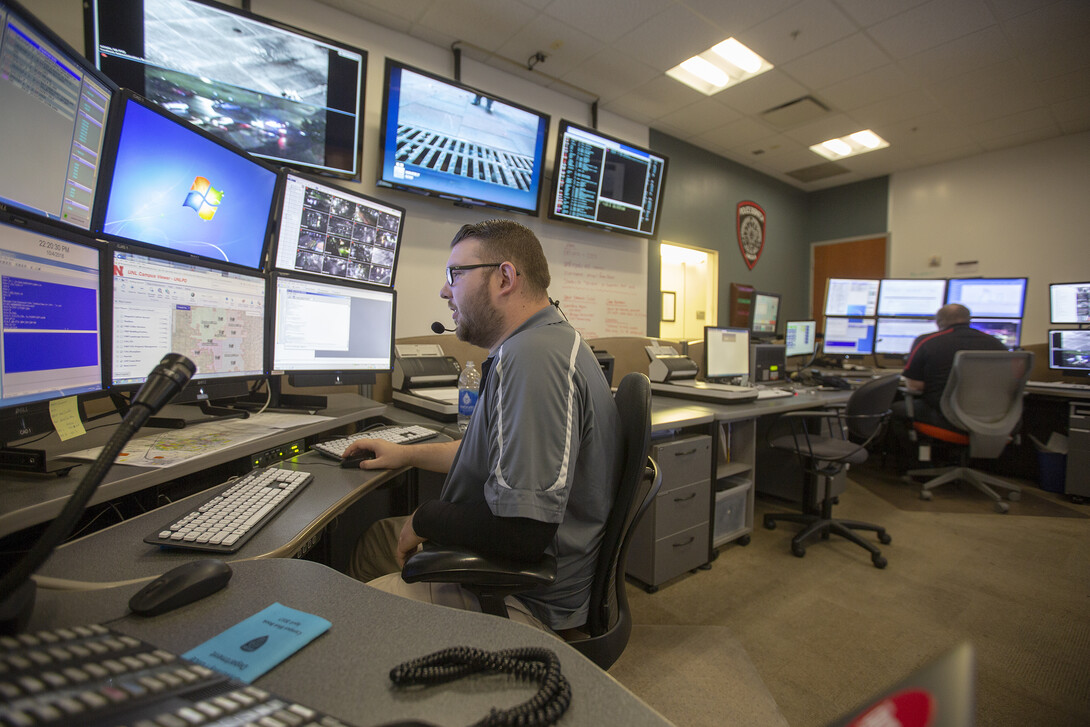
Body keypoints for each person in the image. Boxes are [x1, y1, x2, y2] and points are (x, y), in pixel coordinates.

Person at [342, 219, 621, 633]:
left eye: (455, 274)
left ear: (505, 277)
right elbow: (498, 449)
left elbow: (522, 534)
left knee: (347, 615)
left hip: (524, 595)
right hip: (525, 568)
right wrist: (406, 453)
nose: (444, 290)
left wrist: (426, 517)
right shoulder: (545, 341)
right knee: (374, 540)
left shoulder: (533, 359)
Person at [891, 303, 1007, 464]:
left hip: (946, 416)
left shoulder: (927, 341)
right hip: (993, 418)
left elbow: (915, 386)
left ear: (939, 322)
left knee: (896, 409)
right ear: (969, 319)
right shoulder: (997, 344)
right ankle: (961, 464)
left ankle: (917, 465)